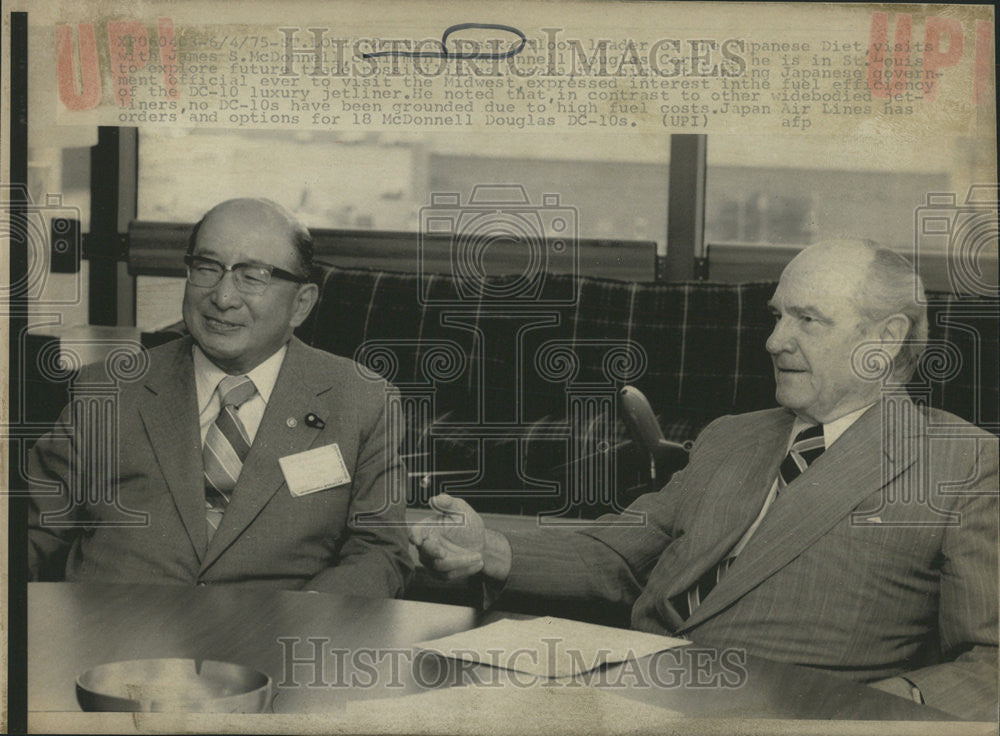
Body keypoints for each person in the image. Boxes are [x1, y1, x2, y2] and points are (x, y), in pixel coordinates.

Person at [410, 239, 998, 720]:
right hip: (626, 695)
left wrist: (885, 706)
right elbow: (621, 553)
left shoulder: (963, 465)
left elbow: (990, 661)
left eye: (807, 320)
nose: (774, 341)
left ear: (886, 338)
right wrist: (489, 548)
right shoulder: (734, 435)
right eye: (776, 316)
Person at [28, 198, 412, 597]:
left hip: (271, 641)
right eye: (207, 268)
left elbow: (380, 552)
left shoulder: (362, 400)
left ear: (301, 303)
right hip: (113, 639)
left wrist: (308, 616)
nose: (223, 297)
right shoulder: (108, 389)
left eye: (253, 276)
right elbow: (31, 529)